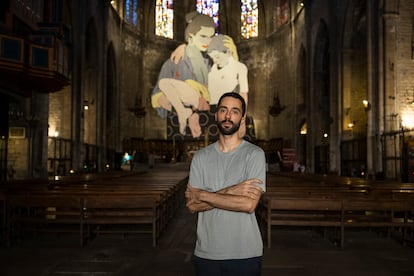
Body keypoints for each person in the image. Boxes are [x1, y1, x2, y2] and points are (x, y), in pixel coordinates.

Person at [186, 92, 266, 276]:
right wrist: (233, 190)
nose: (228, 116)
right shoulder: (200, 157)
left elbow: (248, 204)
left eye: (235, 111)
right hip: (207, 252)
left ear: (242, 118)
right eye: (223, 110)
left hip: (245, 253)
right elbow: (191, 206)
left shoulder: (255, 154)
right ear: (216, 115)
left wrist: (202, 195)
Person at [151, 11, 214, 137]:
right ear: (191, 35)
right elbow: (157, 98)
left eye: (211, 36)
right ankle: (183, 113)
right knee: (164, 84)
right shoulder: (173, 62)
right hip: (178, 126)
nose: (208, 41)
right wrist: (184, 109)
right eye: (203, 36)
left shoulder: (209, 65)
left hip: (206, 124)